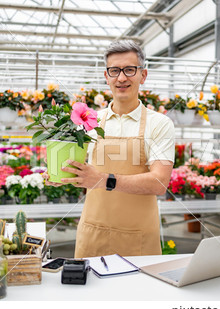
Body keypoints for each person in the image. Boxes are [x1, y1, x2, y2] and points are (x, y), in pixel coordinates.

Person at [45, 40, 175, 258]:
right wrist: (61, 174)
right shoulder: (90, 122)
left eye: (129, 70)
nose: (121, 78)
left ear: (143, 75)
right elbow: (83, 173)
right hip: (93, 233)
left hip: (139, 238)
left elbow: (160, 182)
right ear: (106, 76)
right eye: (114, 71)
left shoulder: (159, 124)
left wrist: (104, 180)